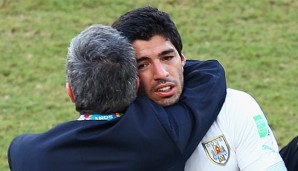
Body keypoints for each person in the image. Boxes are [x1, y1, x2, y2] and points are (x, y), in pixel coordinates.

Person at [8, 24, 227, 171]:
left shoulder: (27, 154)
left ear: (70, 92)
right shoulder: (161, 133)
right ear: (136, 85)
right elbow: (210, 74)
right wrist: (171, 61)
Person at [112, 6, 287, 171]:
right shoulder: (115, 127)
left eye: (167, 57)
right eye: (143, 64)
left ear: (182, 59)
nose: (161, 73)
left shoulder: (235, 106)